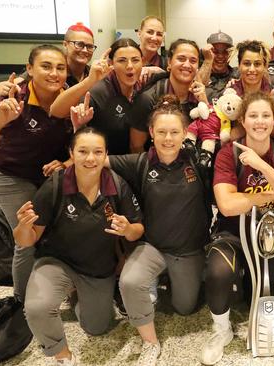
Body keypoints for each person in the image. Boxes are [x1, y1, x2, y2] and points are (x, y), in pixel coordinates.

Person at [14, 127, 144, 366]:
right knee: (37, 308)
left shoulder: (116, 184)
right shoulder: (55, 186)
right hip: (57, 261)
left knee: (98, 327)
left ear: (106, 154)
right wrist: (22, 227)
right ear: (71, 153)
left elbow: (138, 230)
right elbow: (27, 239)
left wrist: (127, 230)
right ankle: (63, 357)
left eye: (97, 152)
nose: (90, 158)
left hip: (97, 267)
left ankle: (74, 294)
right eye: (83, 151)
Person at [103, 95, 210, 365]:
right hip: (153, 247)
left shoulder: (197, 162)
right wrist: (64, 165)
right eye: (161, 132)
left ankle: (172, 279)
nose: (168, 138)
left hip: (188, 250)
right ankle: (150, 343)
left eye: (174, 132)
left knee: (184, 308)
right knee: (129, 281)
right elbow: (97, 161)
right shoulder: (139, 163)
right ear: (151, 132)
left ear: (185, 133)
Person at [201, 91, 274, 365]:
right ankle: (221, 331)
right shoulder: (228, 154)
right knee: (218, 274)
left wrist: (261, 166)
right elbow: (226, 205)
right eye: (253, 116)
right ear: (243, 121)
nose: (260, 122)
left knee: (260, 296)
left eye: (266, 116)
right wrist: (270, 196)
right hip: (233, 232)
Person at [0, 45, 73, 302]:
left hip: (50, 175)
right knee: (27, 236)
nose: (54, 73)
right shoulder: (14, 98)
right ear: (29, 69)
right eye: (46, 66)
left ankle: (56, 289)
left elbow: (79, 146)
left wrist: (66, 162)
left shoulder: (70, 98)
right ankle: (20, 302)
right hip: (11, 175)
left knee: (59, 231)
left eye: (60, 68)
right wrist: (0, 120)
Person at [50, 38, 144, 155]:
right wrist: (90, 80)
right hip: (102, 164)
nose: (130, 66)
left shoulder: (144, 87)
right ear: (111, 63)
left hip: (134, 162)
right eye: (122, 60)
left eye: (135, 60)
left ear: (142, 62)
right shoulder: (98, 92)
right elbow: (55, 111)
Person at [131, 39, 209, 149]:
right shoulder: (148, 99)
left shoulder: (202, 96)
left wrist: (205, 103)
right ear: (169, 62)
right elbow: (136, 146)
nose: (187, 65)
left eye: (193, 61)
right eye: (181, 59)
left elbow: (211, 135)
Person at [0, 23, 96, 96]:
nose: (85, 50)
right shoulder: (52, 69)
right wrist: (1, 86)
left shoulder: (93, 73)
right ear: (65, 44)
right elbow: (18, 82)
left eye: (90, 46)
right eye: (79, 44)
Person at [204, 31, 240, 103]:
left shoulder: (238, 75)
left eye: (225, 52)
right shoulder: (199, 76)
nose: (220, 56)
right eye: (215, 52)